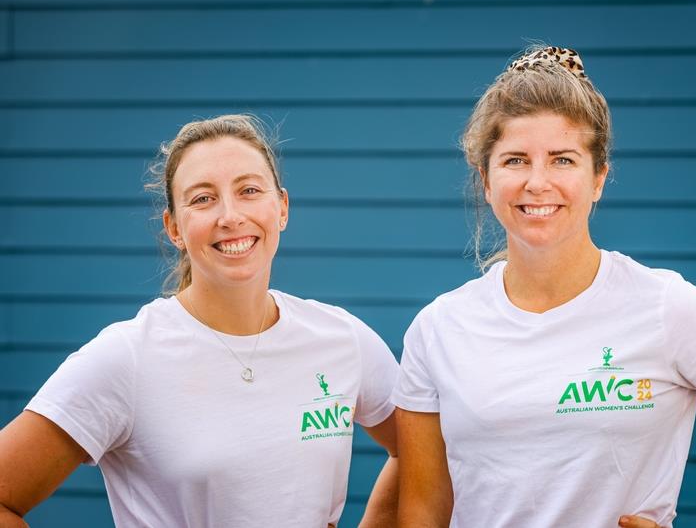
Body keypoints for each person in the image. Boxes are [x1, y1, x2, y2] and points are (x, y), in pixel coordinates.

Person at [392, 46, 696, 527]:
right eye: (516, 160)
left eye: (563, 160)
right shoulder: (438, 328)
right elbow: (422, 511)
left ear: (599, 177)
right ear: (485, 179)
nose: (537, 182)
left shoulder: (665, 308)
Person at [0, 114, 399, 528]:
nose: (230, 215)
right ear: (174, 227)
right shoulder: (126, 357)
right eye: (203, 199)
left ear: (281, 208)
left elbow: (421, 452)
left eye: (248, 190)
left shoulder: (341, 339)